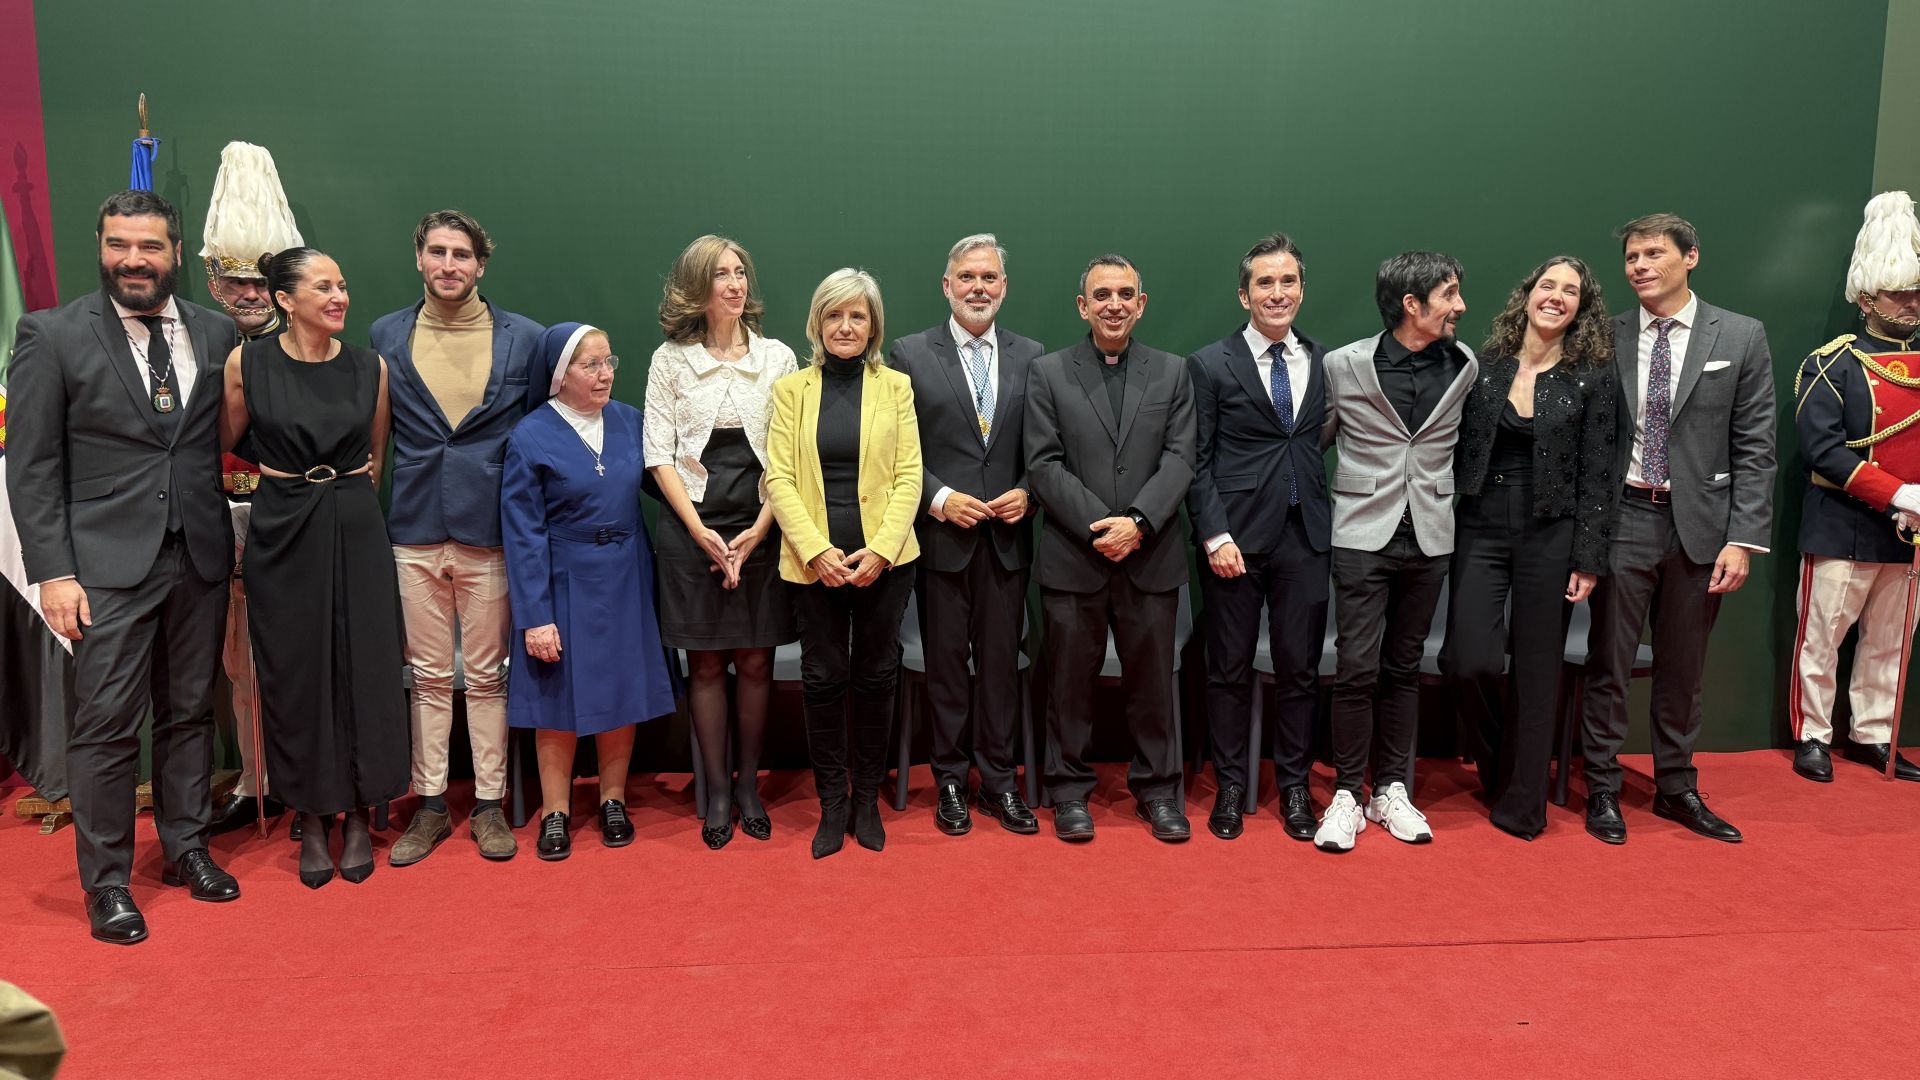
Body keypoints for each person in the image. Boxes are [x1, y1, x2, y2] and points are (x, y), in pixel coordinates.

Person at [6, 190, 242, 943]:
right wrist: (53, 572)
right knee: (107, 726)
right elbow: (32, 466)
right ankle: (106, 882)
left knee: (189, 712)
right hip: (102, 568)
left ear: (175, 253)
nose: (132, 260)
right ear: (101, 246)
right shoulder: (51, 334)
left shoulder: (214, 329)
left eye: (148, 246)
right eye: (118, 245)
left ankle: (186, 849)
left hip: (199, 554)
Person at [1580, 214, 1776, 845]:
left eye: (1654, 253)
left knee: (1683, 669)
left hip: (1703, 528)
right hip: (1624, 519)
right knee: (1608, 662)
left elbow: (1755, 447)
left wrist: (1743, 539)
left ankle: (1676, 787)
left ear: (1691, 257)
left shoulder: (1741, 335)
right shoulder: (1604, 337)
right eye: (1632, 256)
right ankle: (1603, 787)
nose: (1639, 265)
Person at [219, 245, 409, 887]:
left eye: (343, 284)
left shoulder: (369, 367)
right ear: (284, 299)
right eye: (323, 286)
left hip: (355, 522)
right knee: (296, 673)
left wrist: (347, 502)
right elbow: (226, 440)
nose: (339, 297)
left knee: (366, 667)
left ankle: (359, 811)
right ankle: (312, 812)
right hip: (283, 524)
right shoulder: (249, 363)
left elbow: (374, 459)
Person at [370, 210, 545, 866]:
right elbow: (378, 434)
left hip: (492, 529)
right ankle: (431, 804)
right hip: (412, 526)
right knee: (428, 675)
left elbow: (534, 443)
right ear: (419, 258)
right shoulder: (385, 333)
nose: (449, 265)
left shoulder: (523, 339)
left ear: (481, 264)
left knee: (490, 677)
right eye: (438, 252)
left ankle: (492, 805)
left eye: (462, 255)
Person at [1026, 254, 1196, 844]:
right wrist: (1107, 525)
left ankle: (1158, 792)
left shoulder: (1174, 373)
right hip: (1075, 557)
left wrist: (1139, 522)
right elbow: (1043, 466)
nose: (1114, 304)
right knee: (1069, 686)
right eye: (1102, 295)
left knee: (1153, 685)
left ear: (1142, 303)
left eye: (1126, 294)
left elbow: (1181, 458)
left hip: (1152, 555)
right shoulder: (1047, 373)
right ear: (1083, 305)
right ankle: (1069, 792)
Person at [1444, 256, 1616, 840]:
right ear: (1527, 294)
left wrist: (1588, 559)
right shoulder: (1483, 364)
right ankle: (1498, 770)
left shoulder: (1593, 374)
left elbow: (1599, 474)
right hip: (1480, 525)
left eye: (1571, 292)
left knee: (1539, 670)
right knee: (1472, 661)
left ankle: (1523, 801)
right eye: (1548, 285)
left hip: (1554, 533)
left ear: (1581, 308)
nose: (1557, 297)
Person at [1316, 251, 1478, 853]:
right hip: (1360, 533)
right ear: (1412, 305)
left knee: (1404, 669)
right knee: (1357, 667)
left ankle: (1391, 789)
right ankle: (1345, 796)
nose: (1461, 306)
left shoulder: (1465, 365)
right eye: (1451, 294)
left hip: (1432, 535)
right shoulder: (1345, 364)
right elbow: (1316, 443)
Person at [643, 236, 797, 849]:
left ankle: (748, 788)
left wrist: (761, 532)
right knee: (705, 662)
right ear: (695, 288)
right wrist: (699, 531)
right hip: (690, 526)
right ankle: (712, 790)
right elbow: (658, 455)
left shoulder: (779, 358)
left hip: (764, 518)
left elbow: (790, 454)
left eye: (740, 273)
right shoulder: (670, 361)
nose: (734, 285)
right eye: (720, 276)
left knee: (756, 659)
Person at [887, 233, 1044, 836]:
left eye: (989, 278)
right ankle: (950, 780)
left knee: (1002, 666)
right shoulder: (909, 353)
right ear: (946, 286)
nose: (978, 288)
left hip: (1008, 541)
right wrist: (940, 498)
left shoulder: (1032, 355)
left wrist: (1029, 490)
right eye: (967, 278)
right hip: (941, 541)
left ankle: (1000, 782)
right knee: (948, 667)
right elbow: (897, 447)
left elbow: (1048, 446)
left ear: (1003, 287)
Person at [504, 324, 678, 861]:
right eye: (591, 365)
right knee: (557, 698)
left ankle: (612, 799)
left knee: (620, 693)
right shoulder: (530, 435)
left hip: (627, 574)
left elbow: (671, 482)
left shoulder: (630, 422)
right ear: (560, 375)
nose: (605, 375)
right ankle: (556, 812)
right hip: (562, 580)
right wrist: (535, 616)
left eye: (609, 362)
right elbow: (523, 532)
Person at [765, 268, 922, 859]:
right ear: (818, 323)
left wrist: (881, 549)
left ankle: (866, 803)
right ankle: (833, 803)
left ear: (873, 325)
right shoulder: (790, 391)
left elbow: (910, 475)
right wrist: (816, 550)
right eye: (835, 315)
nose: (846, 326)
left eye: (858, 316)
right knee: (823, 678)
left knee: (877, 676)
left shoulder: (897, 388)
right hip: (814, 565)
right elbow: (777, 477)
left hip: (886, 562)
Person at [1187, 232, 1333, 842]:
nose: (1278, 293)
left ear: (1302, 288)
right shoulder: (1210, 363)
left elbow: (1316, 440)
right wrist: (1215, 535)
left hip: (1306, 536)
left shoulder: (1326, 361)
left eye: (1288, 281)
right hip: (1235, 542)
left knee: (1300, 669)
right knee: (1229, 669)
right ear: (1244, 294)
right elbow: (1195, 460)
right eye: (1265, 283)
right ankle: (1232, 787)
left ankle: (1295, 786)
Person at [1787, 191, 1920, 783]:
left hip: (1911, 531)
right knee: (1821, 638)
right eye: (1900, 292)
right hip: (1844, 522)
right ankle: (1813, 733)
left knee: (1891, 641)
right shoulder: (1834, 363)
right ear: (1867, 297)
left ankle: (1872, 733)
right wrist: (1897, 493)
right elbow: (1821, 449)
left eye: (1917, 291)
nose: (1912, 302)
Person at [197, 141, 306, 836]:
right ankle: (254, 777)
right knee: (238, 667)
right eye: (234, 282)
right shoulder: (194, 347)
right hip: (214, 520)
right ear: (213, 282)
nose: (248, 294)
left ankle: (305, 778)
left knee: (292, 658)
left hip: (287, 519)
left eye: (260, 282)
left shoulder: (304, 348)